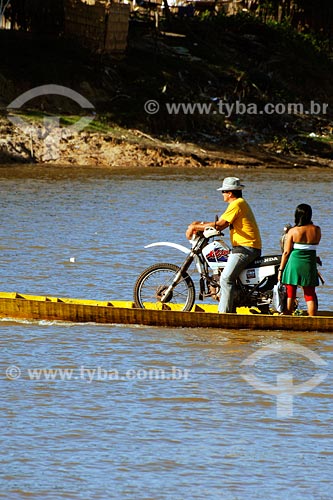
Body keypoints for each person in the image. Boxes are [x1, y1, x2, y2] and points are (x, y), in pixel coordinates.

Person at [186, 177, 262, 313]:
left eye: (223, 192)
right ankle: (231, 308)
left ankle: (223, 315)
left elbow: (220, 225)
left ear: (230, 193)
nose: (222, 194)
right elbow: (222, 224)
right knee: (228, 276)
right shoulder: (240, 203)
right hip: (246, 247)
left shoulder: (236, 204)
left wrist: (195, 226)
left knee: (226, 279)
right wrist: (201, 225)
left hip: (245, 248)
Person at [279, 203, 321, 316]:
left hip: (295, 262)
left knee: (291, 291)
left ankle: (288, 314)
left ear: (297, 215)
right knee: (309, 293)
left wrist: (281, 270)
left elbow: (286, 252)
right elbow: (313, 246)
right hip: (309, 263)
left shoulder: (293, 231)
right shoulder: (317, 230)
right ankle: (312, 319)